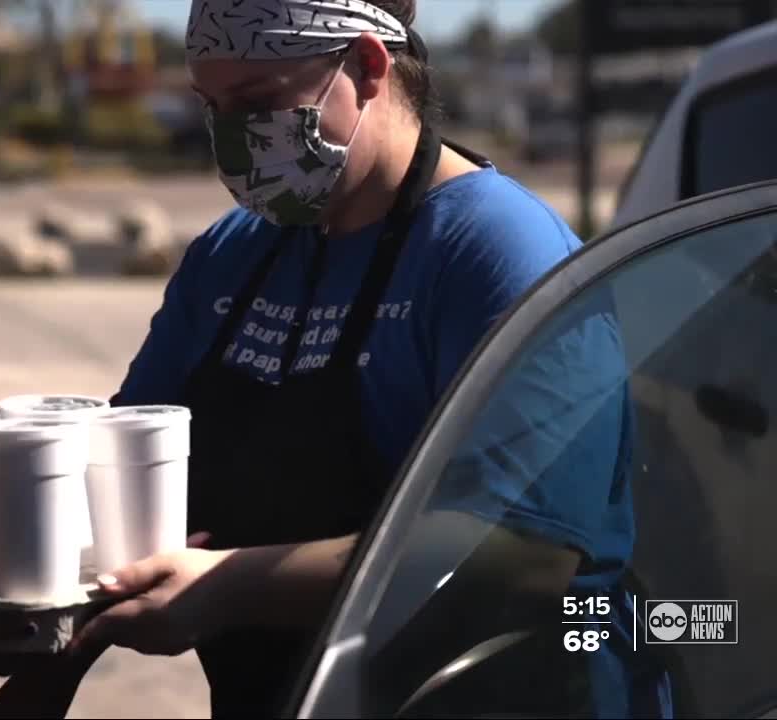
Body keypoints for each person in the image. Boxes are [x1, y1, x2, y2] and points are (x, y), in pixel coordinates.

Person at [61, 0, 669, 717]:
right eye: (211, 106)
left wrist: (228, 586)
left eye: (256, 102)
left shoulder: (500, 253)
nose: (230, 138)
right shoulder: (231, 258)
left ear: (369, 66)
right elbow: (125, 469)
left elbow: (521, 553)